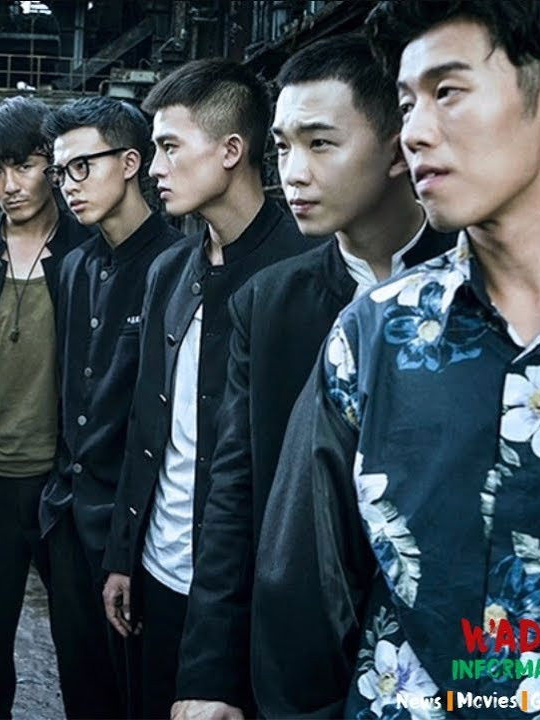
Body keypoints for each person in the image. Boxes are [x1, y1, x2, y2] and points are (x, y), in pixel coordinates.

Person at [252, 2, 540, 718]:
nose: (414, 131)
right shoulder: (374, 335)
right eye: (406, 103)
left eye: (447, 92)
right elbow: (302, 600)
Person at [173, 34, 455, 720]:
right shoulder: (268, 303)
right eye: (282, 147)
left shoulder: (474, 286)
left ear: (399, 147)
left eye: (321, 144)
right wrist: (208, 674)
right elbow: (233, 496)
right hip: (299, 666)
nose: (293, 174)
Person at [101, 58, 311, 719]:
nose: (154, 169)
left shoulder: (303, 272)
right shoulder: (170, 270)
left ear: (230, 150)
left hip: (254, 593)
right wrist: (123, 553)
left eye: (169, 147)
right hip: (158, 573)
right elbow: (147, 424)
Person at [0, 95, 91, 719]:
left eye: (24, 166)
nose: (9, 185)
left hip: (65, 487)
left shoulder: (89, 251)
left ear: (50, 164)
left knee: (87, 656)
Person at [38, 96, 182, 718]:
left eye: (82, 167)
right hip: (70, 520)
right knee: (82, 696)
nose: (68, 185)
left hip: (142, 532)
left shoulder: (177, 264)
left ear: (130, 163)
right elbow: (70, 392)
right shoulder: (74, 266)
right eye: (60, 172)